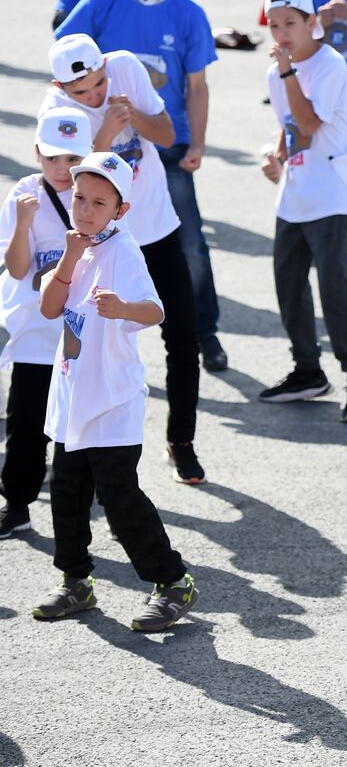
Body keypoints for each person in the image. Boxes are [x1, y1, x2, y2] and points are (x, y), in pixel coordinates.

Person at [30, 150, 200, 633]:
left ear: (120, 210)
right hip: (71, 398)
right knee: (66, 494)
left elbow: (156, 311)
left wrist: (124, 308)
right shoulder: (74, 246)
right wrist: (68, 256)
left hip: (112, 401)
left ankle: (172, 583)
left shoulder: (124, 251)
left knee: (119, 497)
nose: (85, 210)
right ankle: (75, 582)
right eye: (79, 198)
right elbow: (48, 309)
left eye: (98, 203)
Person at [55, 0, 228, 379]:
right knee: (97, 243)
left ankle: (202, 331)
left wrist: (198, 142)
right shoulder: (101, 0)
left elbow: (197, 85)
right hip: (103, 156)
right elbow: (63, 48)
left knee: (188, 244)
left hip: (164, 144)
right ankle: (91, 348)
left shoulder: (188, 11)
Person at [42, 32, 209, 487]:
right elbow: (70, 181)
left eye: (98, 83)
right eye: (83, 92)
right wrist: (105, 134)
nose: (95, 94)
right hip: (101, 242)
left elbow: (170, 136)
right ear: (61, 90)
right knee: (88, 348)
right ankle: (83, 452)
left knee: (182, 335)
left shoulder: (126, 67)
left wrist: (131, 114)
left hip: (155, 226)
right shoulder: (55, 111)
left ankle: (182, 441)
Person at [256, 0, 347, 421]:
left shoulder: (329, 65)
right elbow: (292, 128)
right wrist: (277, 155)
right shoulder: (277, 73)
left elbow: (310, 119)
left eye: (291, 23)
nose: (282, 33)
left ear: (311, 23)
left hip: (332, 191)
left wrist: (288, 73)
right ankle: (308, 371)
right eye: (275, 25)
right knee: (288, 286)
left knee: (332, 288)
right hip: (297, 190)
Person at [0, 109, 91, 539]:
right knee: (27, 423)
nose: (62, 168)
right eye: (53, 157)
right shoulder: (24, 194)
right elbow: (18, 270)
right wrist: (22, 223)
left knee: (81, 424)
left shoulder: (97, 193)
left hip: (81, 334)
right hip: (37, 335)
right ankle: (17, 504)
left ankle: (86, 501)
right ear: (37, 153)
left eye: (73, 158)